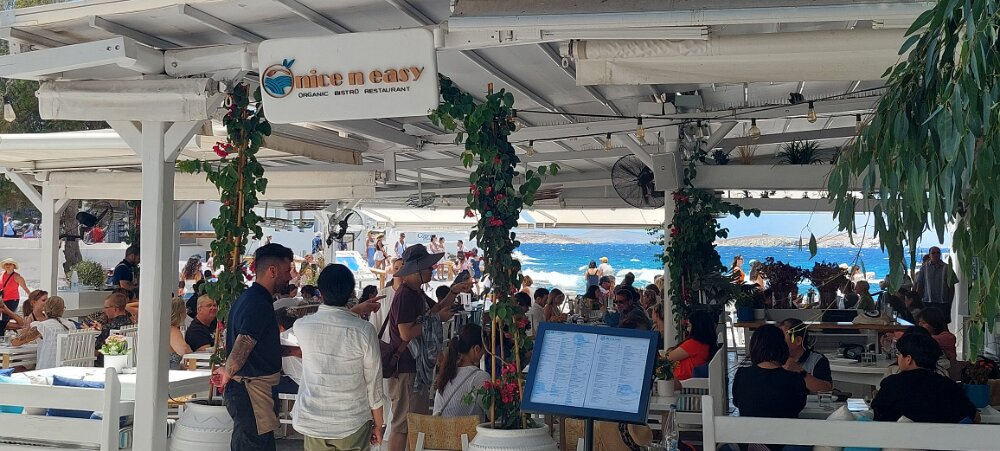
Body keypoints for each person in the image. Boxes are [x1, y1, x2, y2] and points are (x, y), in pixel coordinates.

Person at [386, 244, 473, 451]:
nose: (432, 270)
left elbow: (436, 309)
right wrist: (436, 319)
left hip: (414, 368)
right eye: (428, 267)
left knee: (414, 424)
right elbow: (406, 332)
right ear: (416, 269)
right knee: (402, 425)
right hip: (407, 368)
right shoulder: (406, 295)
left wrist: (453, 291)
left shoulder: (415, 292)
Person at [293, 263, 385, 451]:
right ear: (351, 292)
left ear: (320, 292)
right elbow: (373, 382)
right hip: (352, 422)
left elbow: (333, 322)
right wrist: (378, 424)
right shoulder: (364, 331)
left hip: (313, 421)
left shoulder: (302, 327)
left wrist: (355, 310)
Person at [212, 243, 295, 451]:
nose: (290, 277)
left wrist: (293, 351)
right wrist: (228, 372)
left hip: (251, 390)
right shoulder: (257, 303)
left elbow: (259, 344)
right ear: (272, 271)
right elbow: (245, 342)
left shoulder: (251, 299)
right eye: (287, 271)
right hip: (250, 391)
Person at [872, 331, 977, 423]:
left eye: (899, 354)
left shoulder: (892, 384)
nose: (898, 358)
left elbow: (877, 415)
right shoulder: (948, 385)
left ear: (908, 359)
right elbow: (974, 416)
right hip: (941, 439)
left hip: (898, 438)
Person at [733, 324, 808, 421]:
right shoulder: (795, 379)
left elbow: (737, 402)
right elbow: (800, 405)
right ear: (783, 347)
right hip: (786, 430)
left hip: (749, 430)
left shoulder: (742, 375)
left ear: (754, 347)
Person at [433, 323, 490, 417]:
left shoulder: (447, 373)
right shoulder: (479, 377)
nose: (484, 354)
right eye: (484, 350)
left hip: (440, 426)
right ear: (476, 349)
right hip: (466, 427)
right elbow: (493, 414)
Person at [12, 296, 77, 369]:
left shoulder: (43, 326)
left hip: (47, 369)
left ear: (45, 309)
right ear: (62, 310)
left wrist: (24, 331)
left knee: (18, 369)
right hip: (68, 369)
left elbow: (16, 343)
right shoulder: (71, 325)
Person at [779, 319, 833, 393]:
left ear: (798, 340)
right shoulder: (774, 359)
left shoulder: (817, 360)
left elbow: (826, 389)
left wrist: (798, 370)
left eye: (782, 337)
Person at [667, 310, 716, 382]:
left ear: (696, 326)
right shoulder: (705, 344)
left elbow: (668, 358)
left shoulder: (694, 344)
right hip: (685, 381)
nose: (687, 329)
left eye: (689, 325)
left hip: (681, 383)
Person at [915, 246, 958, 323]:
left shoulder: (947, 268)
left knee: (943, 324)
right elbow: (920, 285)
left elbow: (951, 287)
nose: (936, 254)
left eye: (938, 253)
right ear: (929, 255)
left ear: (940, 254)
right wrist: (918, 302)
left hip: (943, 303)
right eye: (933, 253)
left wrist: (949, 302)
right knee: (928, 324)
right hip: (927, 302)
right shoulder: (924, 268)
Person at [95, 293, 133, 364]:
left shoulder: (109, 327)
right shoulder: (129, 323)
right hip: (125, 359)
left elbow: (96, 350)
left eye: (106, 308)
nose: (104, 310)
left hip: (106, 362)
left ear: (115, 309)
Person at [0, 258, 30, 332]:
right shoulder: (1, 274)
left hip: (12, 300)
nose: (8, 265)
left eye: (10, 264)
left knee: (6, 317)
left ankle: (3, 334)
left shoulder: (17, 277)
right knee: (4, 319)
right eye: (6, 264)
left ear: (14, 266)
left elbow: (25, 288)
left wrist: (32, 298)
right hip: (2, 300)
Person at [169, 297, 193, 370]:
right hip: (171, 373)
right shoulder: (173, 330)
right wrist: (189, 348)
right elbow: (183, 350)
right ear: (181, 313)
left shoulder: (166, 329)